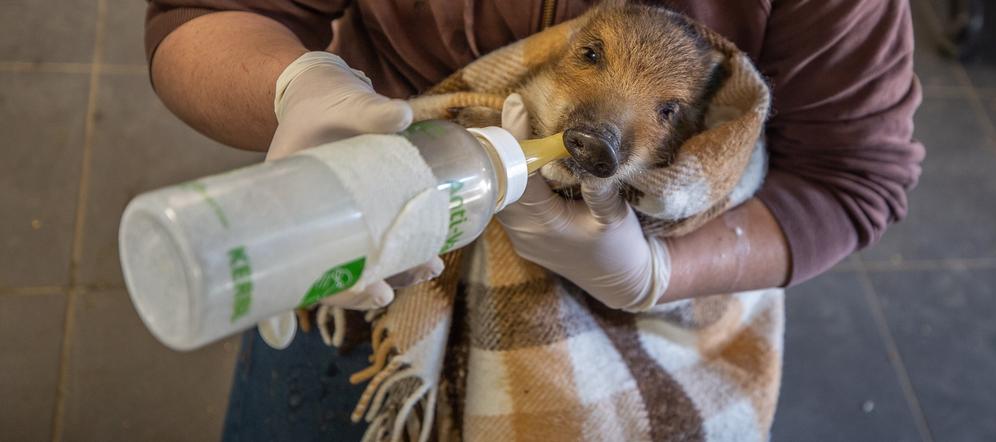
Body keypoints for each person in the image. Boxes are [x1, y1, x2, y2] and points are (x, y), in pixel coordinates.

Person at [143, 0, 923, 439]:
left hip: (639, 309)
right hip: (376, 245)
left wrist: (657, 273)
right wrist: (297, 88)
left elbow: (855, 175)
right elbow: (203, 15)